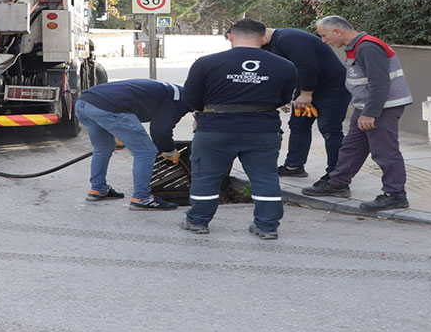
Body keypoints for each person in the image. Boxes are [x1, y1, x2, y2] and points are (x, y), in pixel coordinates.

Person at [180, 19, 298, 239]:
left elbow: (191, 99)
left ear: (230, 37)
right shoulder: (285, 65)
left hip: (215, 129)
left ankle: (197, 222)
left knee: (207, 176)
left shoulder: (205, 63)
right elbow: (284, 98)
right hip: (263, 130)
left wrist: (203, 112)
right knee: (265, 177)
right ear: (263, 39)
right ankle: (267, 226)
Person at [301, 16, 413, 212]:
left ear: (337, 31)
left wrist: (370, 113)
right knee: (352, 147)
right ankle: (338, 184)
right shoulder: (357, 46)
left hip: (381, 108)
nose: (324, 41)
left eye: (324, 36)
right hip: (368, 107)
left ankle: (395, 195)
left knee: (385, 151)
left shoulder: (367, 47)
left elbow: (380, 83)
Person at [75, 78, 191, 210]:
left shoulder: (170, 90)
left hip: (83, 103)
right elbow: (160, 130)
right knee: (146, 151)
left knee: (103, 148)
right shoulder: (178, 100)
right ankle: (142, 198)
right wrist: (169, 149)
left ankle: (98, 189)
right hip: (109, 107)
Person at [262, 26, 351, 180]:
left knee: (330, 130)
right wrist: (284, 96)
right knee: (298, 125)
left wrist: (305, 94)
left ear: (261, 37)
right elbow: (281, 71)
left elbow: (307, 66)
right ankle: (294, 166)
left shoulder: (289, 38)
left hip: (332, 88)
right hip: (307, 88)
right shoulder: (270, 44)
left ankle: (336, 176)